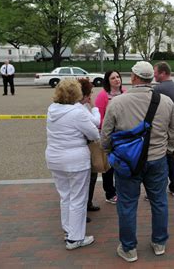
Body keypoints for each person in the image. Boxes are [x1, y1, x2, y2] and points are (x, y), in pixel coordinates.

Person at [101, 61, 174, 262]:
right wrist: (167, 150)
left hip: (127, 163)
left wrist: (112, 152)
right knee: (159, 202)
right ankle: (159, 242)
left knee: (127, 204)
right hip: (157, 159)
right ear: (151, 78)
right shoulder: (165, 101)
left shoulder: (117, 102)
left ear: (134, 78)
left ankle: (129, 249)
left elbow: (105, 136)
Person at [45, 78, 100, 250]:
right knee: (78, 198)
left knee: (65, 196)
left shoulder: (52, 109)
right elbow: (93, 133)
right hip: (75, 159)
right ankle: (75, 238)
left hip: (55, 158)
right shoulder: (77, 112)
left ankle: (69, 231)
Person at [90, 70, 127, 207]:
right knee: (109, 166)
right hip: (110, 135)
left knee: (122, 164)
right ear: (108, 81)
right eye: (113, 78)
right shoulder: (103, 95)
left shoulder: (125, 92)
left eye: (118, 77)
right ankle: (110, 193)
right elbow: (99, 118)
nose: (117, 80)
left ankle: (121, 190)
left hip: (123, 135)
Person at [153, 61, 174, 197]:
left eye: (155, 72)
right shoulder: (173, 86)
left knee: (162, 161)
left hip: (163, 128)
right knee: (171, 159)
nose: (154, 74)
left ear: (163, 73)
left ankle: (159, 189)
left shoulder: (159, 89)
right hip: (171, 127)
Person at [78, 79, 101, 221]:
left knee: (89, 178)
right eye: (90, 92)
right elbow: (96, 124)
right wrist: (94, 107)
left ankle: (87, 203)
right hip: (82, 148)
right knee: (84, 182)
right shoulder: (80, 109)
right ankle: (81, 211)